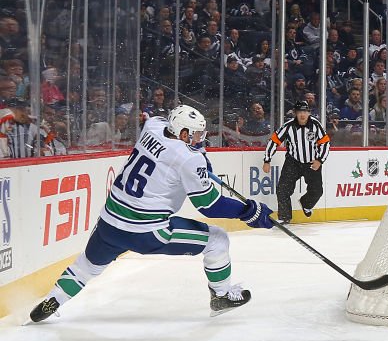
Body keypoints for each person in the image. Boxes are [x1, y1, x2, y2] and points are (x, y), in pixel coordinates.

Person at [29, 106, 274, 322]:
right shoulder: (188, 159)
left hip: (109, 224)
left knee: (86, 267)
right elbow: (209, 205)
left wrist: (200, 155)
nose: (202, 139)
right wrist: (250, 212)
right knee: (217, 240)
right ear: (183, 134)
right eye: (197, 135)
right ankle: (221, 296)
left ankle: (53, 300)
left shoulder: (153, 127)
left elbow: (160, 122)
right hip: (147, 233)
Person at [263, 101, 330, 223]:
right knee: (282, 190)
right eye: (300, 112)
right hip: (293, 162)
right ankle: (284, 218)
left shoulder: (316, 125)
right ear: (295, 113)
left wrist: (320, 160)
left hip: (312, 162)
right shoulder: (288, 126)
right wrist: (267, 160)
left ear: (309, 113)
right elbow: (274, 141)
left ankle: (306, 203)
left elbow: (325, 143)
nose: (302, 114)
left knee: (317, 191)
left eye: (305, 111)